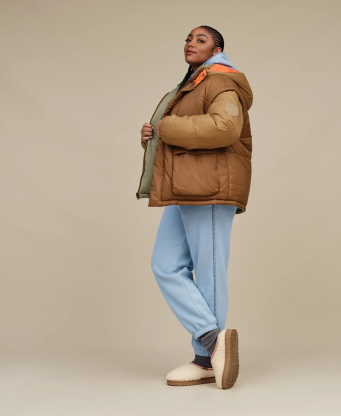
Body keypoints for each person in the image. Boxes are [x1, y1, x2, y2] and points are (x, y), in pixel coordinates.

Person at [137, 25, 253, 389]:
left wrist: (167, 127)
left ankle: (205, 359)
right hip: (186, 185)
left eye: (200, 39)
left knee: (209, 271)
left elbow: (225, 127)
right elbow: (182, 133)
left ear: (217, 50)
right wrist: (153, 136)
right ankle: (212, 340)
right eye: (187, 38)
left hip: (210, 187)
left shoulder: (221, 80)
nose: (190, 43)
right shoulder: (192, 84)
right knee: (165, 265)